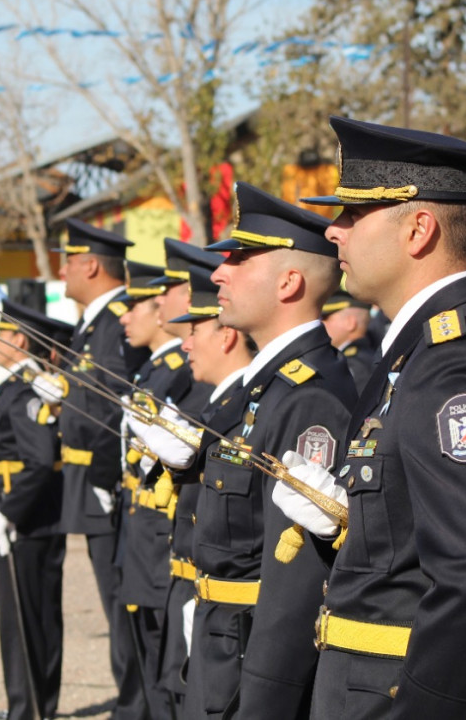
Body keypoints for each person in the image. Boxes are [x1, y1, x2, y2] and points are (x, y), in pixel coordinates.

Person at [275, 115, 466, 718]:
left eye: (353, 214)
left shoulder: (458, 364)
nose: (334, 231)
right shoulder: (415, 352)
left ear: (419, 229)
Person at [133, 181, 356, 719]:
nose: (217, 274)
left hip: (250, 658)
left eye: (241, 258)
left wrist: (265, 694)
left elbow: (298, 578)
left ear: (289, 281)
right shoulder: (263, 388)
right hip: (220, 638)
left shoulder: (311, 396)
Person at [33, 219, 149, 720]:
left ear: (91, 265)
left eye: (67, 260)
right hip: (94, 483)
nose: (60, 270)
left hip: (110, 485)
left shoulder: (115, 320)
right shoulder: (93, 323)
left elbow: (113, 410)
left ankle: (135, 707)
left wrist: (105, 479)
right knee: (115, 603)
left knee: (125, 605)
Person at [0, 299, 71, 720]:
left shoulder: (26, 388)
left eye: (0, 333)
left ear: (19, 340)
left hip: (22, 518)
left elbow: (40, 459)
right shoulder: (11, 386)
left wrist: (10, 512)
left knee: (24, 616)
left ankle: (27, 709)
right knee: (33, 611)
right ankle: (35, 704)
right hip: (19, 513)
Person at [155, 263, 254, 714]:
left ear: (227, 336)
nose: (186, 343)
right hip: (207, 597)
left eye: (196, 330)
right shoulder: (222, 403)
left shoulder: (251, 402)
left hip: (238, 619)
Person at [116, 257, 209, 719]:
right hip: (148, 527)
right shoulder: (167, 366)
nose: (163, 303)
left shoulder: (183, 368)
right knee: (156, 663)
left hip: (170, 538)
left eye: (164, 293)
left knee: (173, 676)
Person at [321, 291, 377, 393]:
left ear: (350, 323)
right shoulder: (367, 357)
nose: (321, 323)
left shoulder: (354, 365)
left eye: (326, 318)